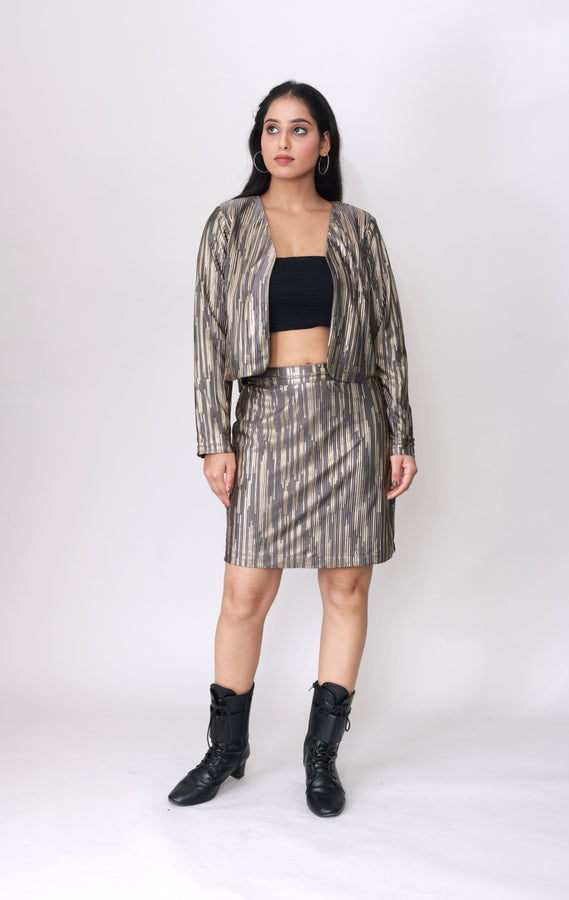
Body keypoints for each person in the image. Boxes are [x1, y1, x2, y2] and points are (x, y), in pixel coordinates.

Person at [168, 80, 417, 818]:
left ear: (324, 143)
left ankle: (321, 757)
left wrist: (400, 435)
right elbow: (208, 335)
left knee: (347, 589)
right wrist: (214, 439)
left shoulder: (358, 229)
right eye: (271, 128)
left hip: (351, 418)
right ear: (260, 141)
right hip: (267, 416)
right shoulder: (230, 224)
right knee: (244, 593)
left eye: (299, 128)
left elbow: (390, 337)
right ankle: (225, 750)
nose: (283, 141)